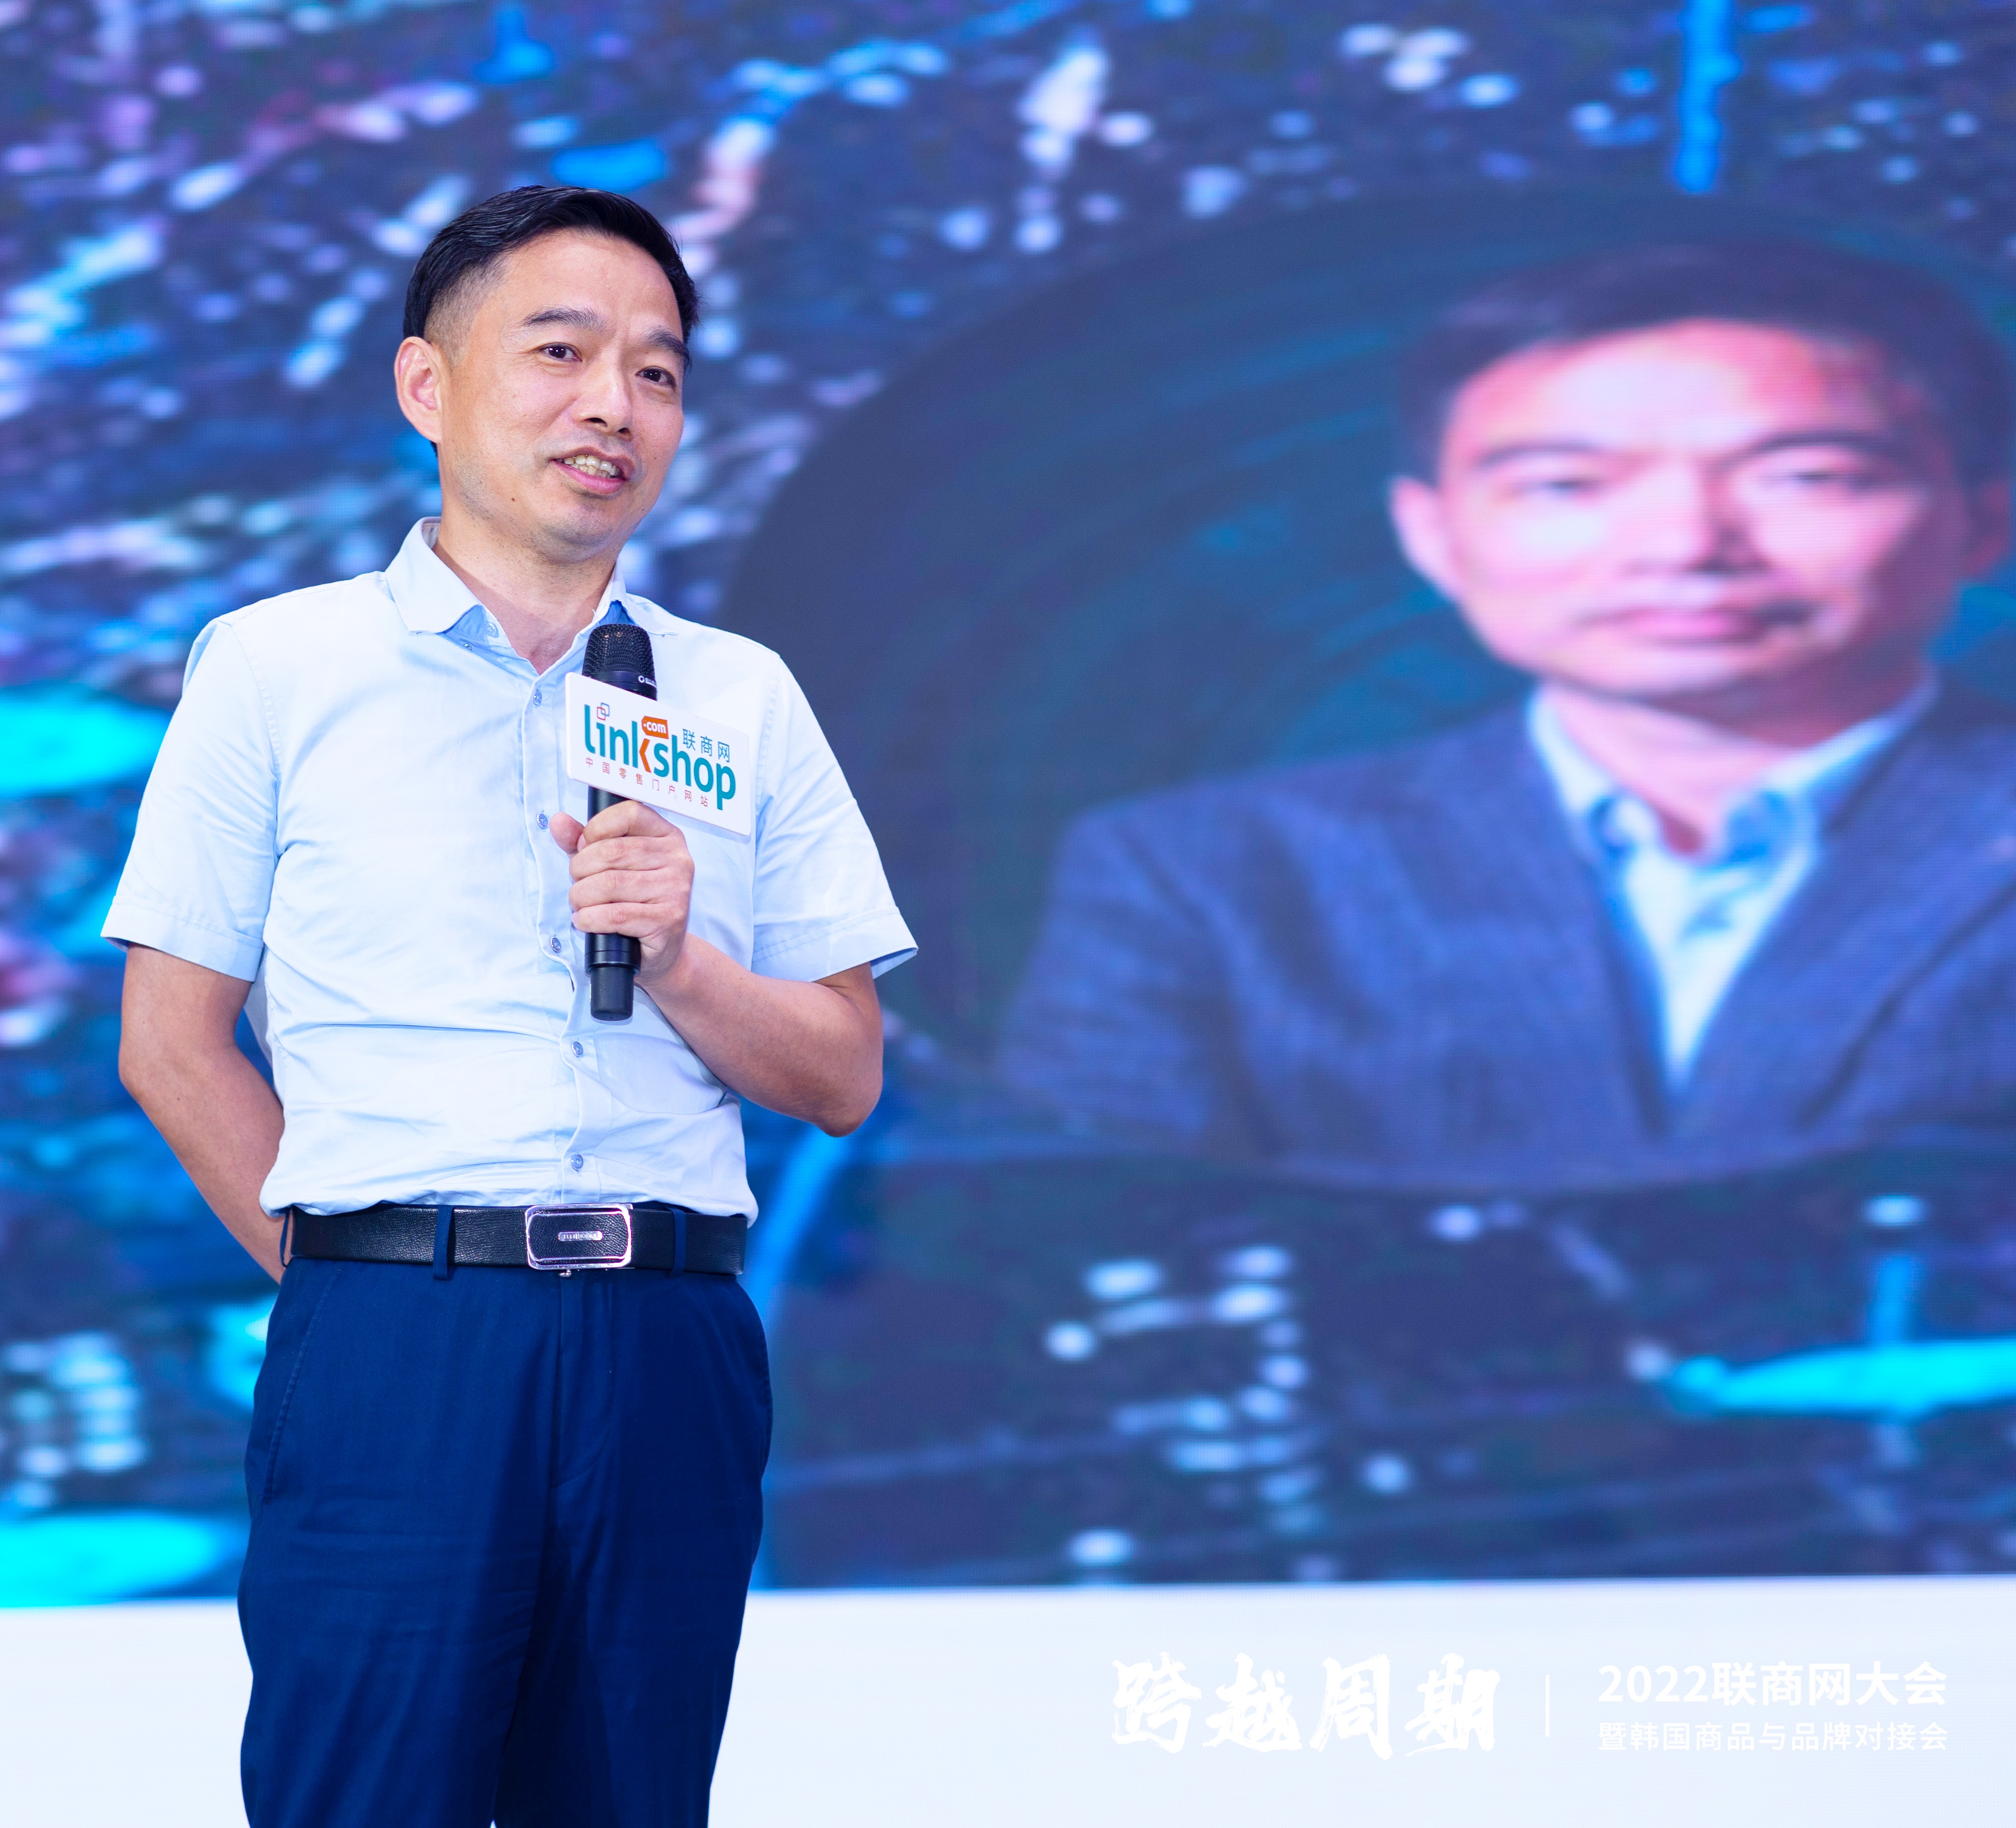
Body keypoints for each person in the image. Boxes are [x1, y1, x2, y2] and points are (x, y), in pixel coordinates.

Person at [107, 186, 914, 1826]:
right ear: (428, 386)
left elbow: (841, 1072)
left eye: (657, 372)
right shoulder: (278, 666)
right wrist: (356, 1287)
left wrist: (680, 959)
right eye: (561, 353)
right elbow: (170, 1041)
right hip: (397, 1331)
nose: (613, 403)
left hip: (670, 1337)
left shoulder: (737, 695)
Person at [1000, 238, 2016, 1191]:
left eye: (1807, 478)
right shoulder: (1203, 874)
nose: (1683, 546)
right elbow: (1087, 1223)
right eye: (1566, 485)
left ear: (1983, 522)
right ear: (1432, 535)